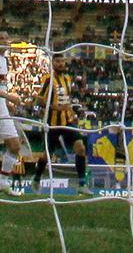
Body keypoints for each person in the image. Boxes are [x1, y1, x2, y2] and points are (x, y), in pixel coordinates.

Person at [31, 54, 90, 192]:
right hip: (51, 124)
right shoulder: (48, 79)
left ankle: (82, 185)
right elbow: (38, 100)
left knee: (81, 149)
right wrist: (53, 107)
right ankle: (36, 178)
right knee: (46, 156)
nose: (61, 64)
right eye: (57, 61)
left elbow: (67, 99)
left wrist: (71, 112)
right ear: (52, 63)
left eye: (62, 61)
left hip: (67, 122)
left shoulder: (68, 78)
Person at [0, 32, 25, 195]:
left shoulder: (4, 60)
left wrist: (7, 103)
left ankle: (2, 182)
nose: (5, 41)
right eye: (1, 38)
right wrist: (9, 97)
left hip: (1, 106)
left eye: (6, 38)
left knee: (15, 146)